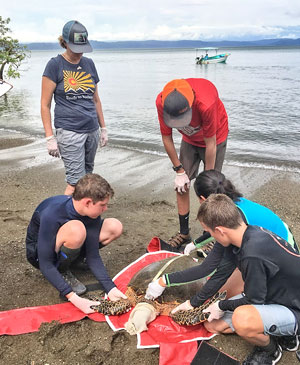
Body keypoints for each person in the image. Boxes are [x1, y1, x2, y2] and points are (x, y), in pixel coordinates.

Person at [171, 194, 300, 365]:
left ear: (220, 231)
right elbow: (218, 275)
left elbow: (254, 300)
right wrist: (194, 303)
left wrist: (220, 305)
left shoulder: (252, 254)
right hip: (276, 293)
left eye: (209, 233)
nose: (211, 237)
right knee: (212, 325)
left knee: (242, 319)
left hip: (293, 306)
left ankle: (271, 350)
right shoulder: (249, 232)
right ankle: (281, 332)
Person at [145, 169, 298, 303]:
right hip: (284, 242)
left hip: (279, 260)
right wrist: (195, 244)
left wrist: (163, 281)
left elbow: (207, 268)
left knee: (220, 295)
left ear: (204, 200)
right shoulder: (231, 204)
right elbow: (215, 231)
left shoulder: (233, 221)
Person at [25, 173, 127, 314]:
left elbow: (93, 256)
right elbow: (45, 264)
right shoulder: (52, 213)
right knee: (76, 229)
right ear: (87, 202)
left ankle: (72, 260)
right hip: (40, 253)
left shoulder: (90, 212)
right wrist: (75, 299)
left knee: (114, 226)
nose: (106, 209)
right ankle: (62, 270)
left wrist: (111, 288)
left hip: (68, 241)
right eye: (102, 205)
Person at [156, 78, 228, 248]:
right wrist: (179, 170)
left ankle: (209, 235)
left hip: (215, 139)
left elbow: (210, 143)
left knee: (212, 190)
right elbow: (166, 137)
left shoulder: (206, 102)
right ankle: (184, 232)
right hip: (189, 140)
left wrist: (207, 180)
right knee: (181, 186)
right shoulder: (162, 102)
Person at [41, 20, 107, 195]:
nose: (79, 53)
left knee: (88, 178)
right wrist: (49, 137)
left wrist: (103, 128)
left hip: (91, 129)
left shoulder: (89, 64)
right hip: (69, 131)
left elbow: (96, 100)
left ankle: (83, 214)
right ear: (65, 43)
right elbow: (45, 104)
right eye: (76, 48)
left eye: (82, 48)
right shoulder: (55, 65)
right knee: (75, 182)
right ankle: (63, 216)